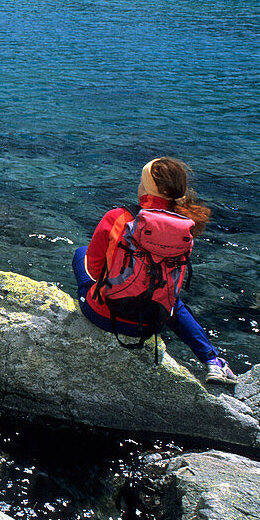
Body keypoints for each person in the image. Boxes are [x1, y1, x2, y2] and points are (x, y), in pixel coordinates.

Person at [72, 157, 236, 384]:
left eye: (141, 181)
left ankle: (94, 300)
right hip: (150, 324)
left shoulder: (119, 217)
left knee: (81, 253)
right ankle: (213, 361)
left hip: (103, 316)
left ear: (147, 188)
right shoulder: (185, 227)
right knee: (170, 299)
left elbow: (93, 268)